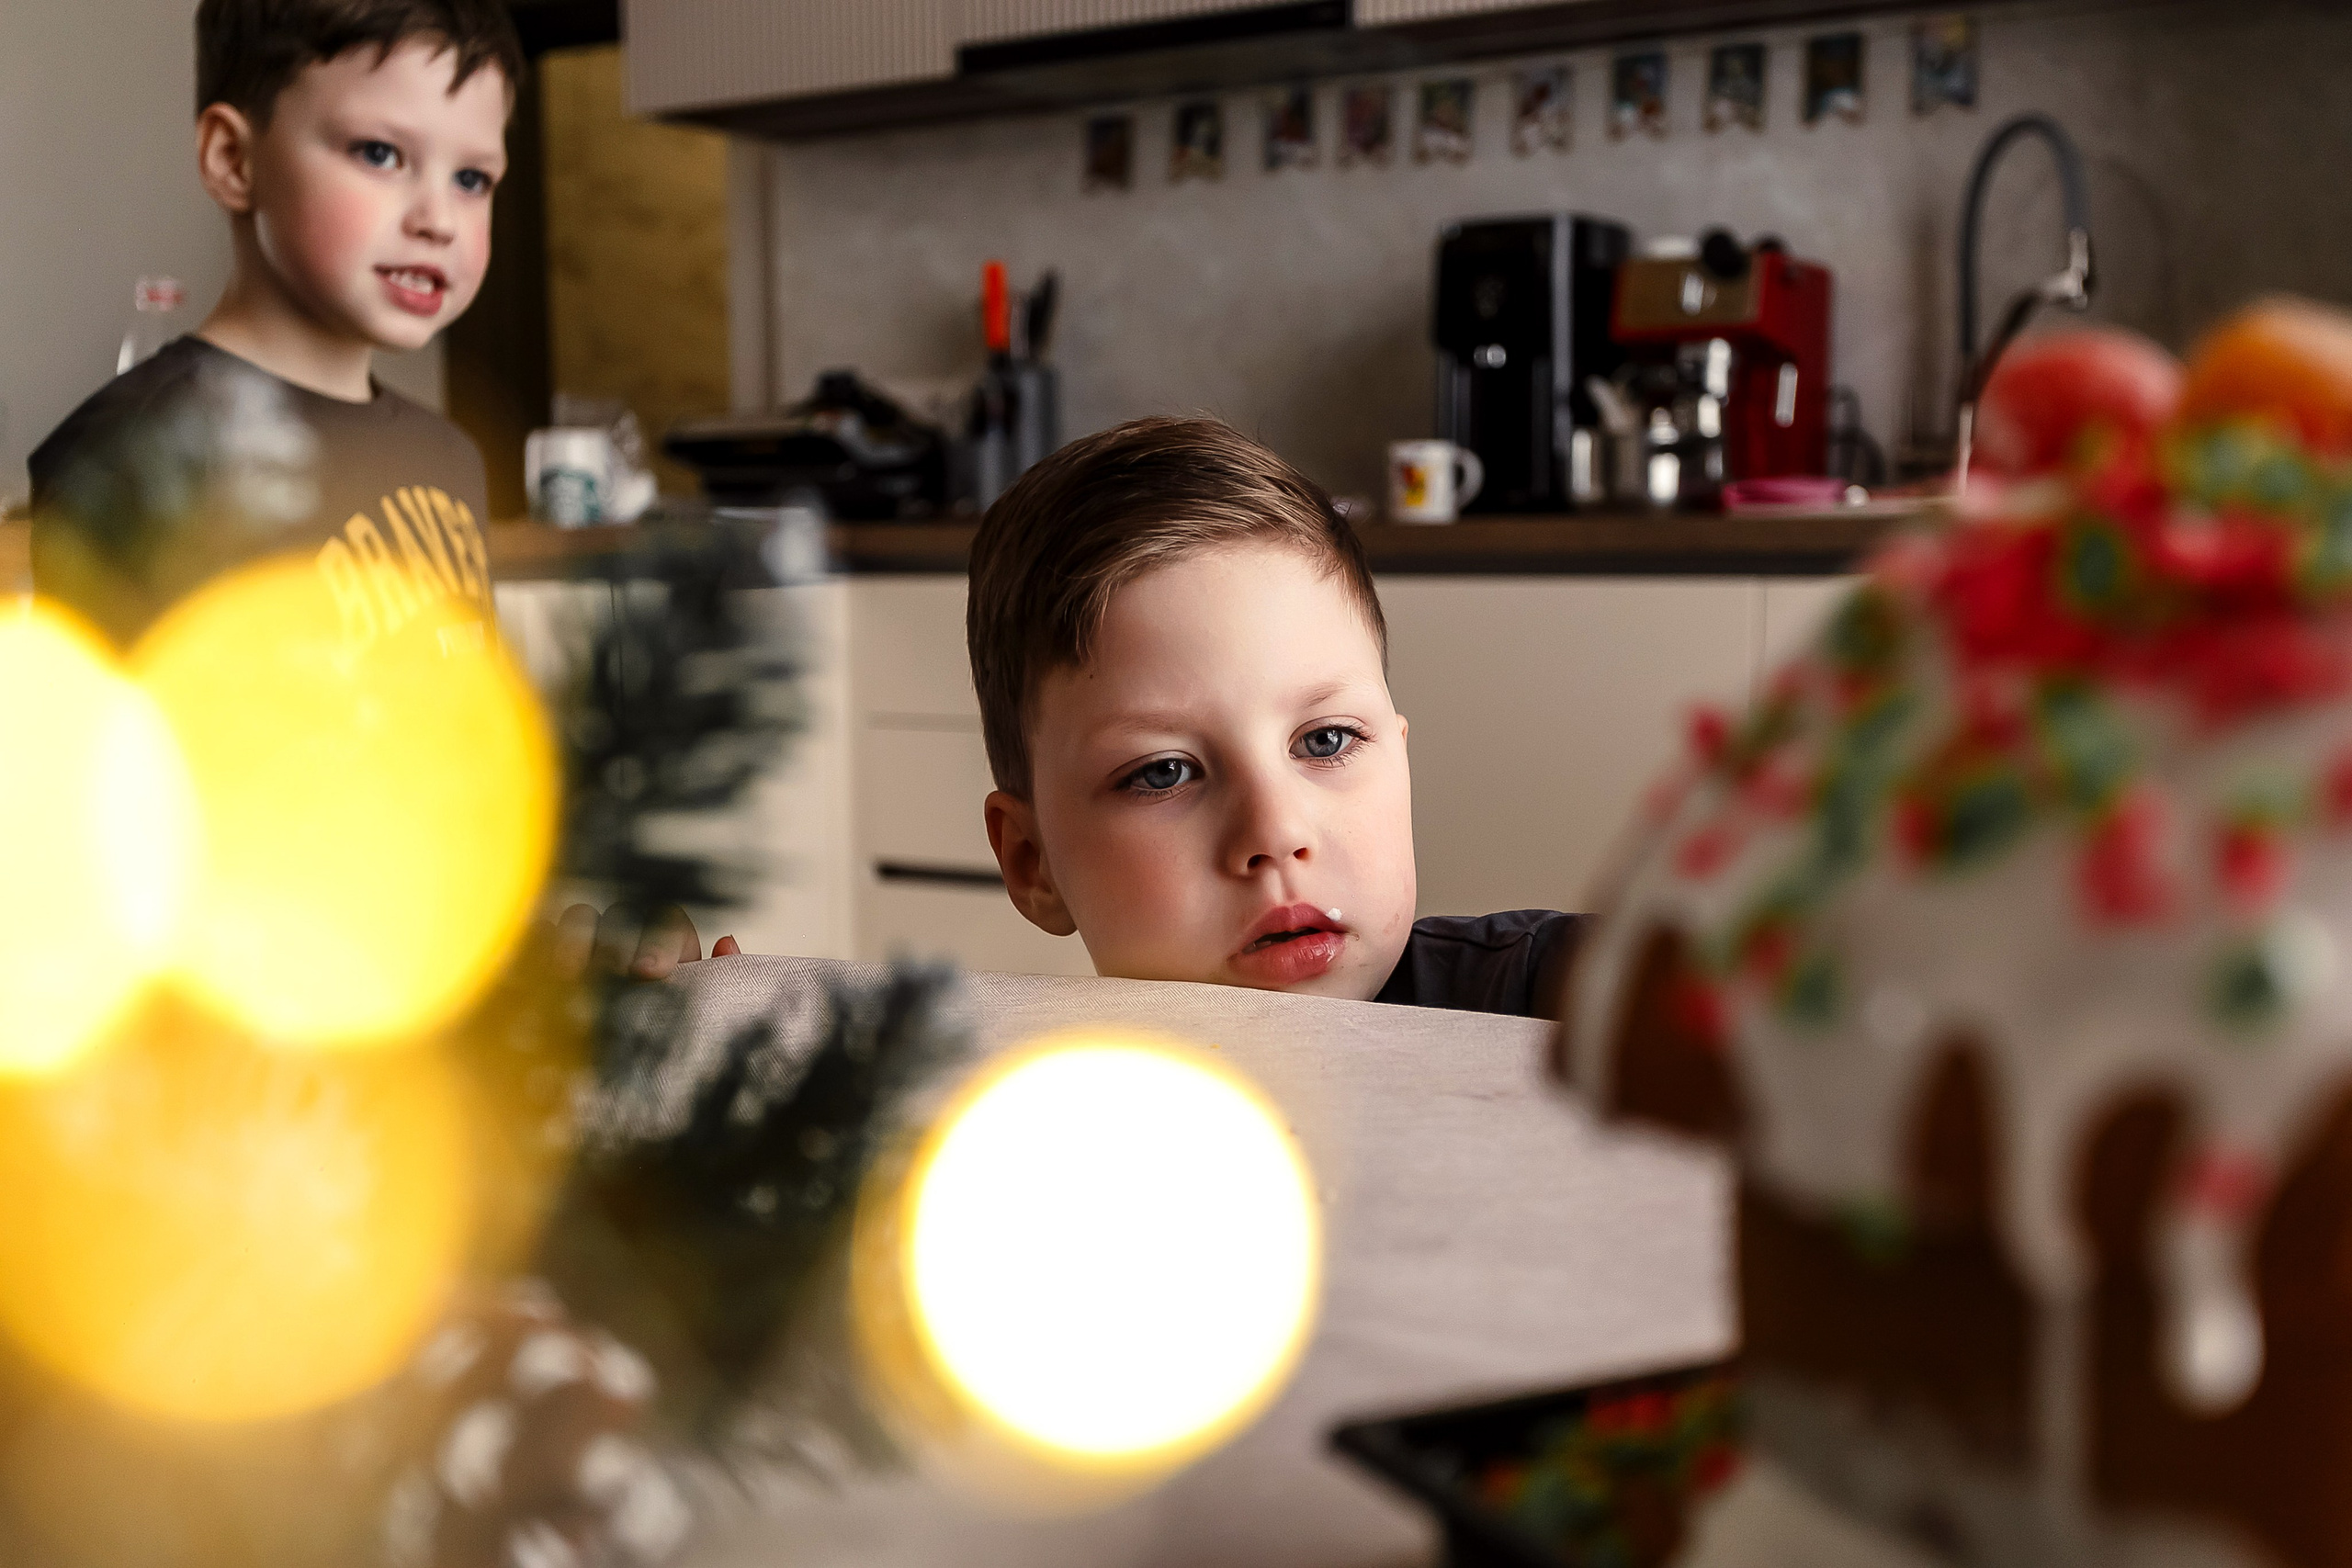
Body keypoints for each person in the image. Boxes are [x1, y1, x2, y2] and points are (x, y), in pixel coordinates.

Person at [967, 416, 1581, 1018]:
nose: (1277, 833)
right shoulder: (1033, 1109)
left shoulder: (1560, 998)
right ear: (1032, 861)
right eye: (1164, 773)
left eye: (1326, 739)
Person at [28, 0, 517, 654]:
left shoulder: (452, 460)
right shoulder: (134, 459)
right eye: (380, 153)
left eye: (471, 178)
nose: (440, 220)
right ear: (233, 159)